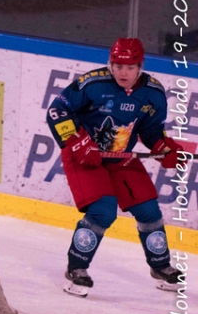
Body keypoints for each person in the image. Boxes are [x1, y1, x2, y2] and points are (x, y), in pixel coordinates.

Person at [46, 37, 184, 297]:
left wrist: (164, 148)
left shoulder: (153, 93)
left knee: (149, 210)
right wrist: (75, 141)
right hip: (86, 157)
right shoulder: (92, 84)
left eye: (130, 67)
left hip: (122, 159)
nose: (123, 72)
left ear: (140, 67)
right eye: (118, 65)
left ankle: (160, 267)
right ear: (110, 64)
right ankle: (76, 268)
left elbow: (151, 130)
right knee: (103, 211)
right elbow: (57, 111)